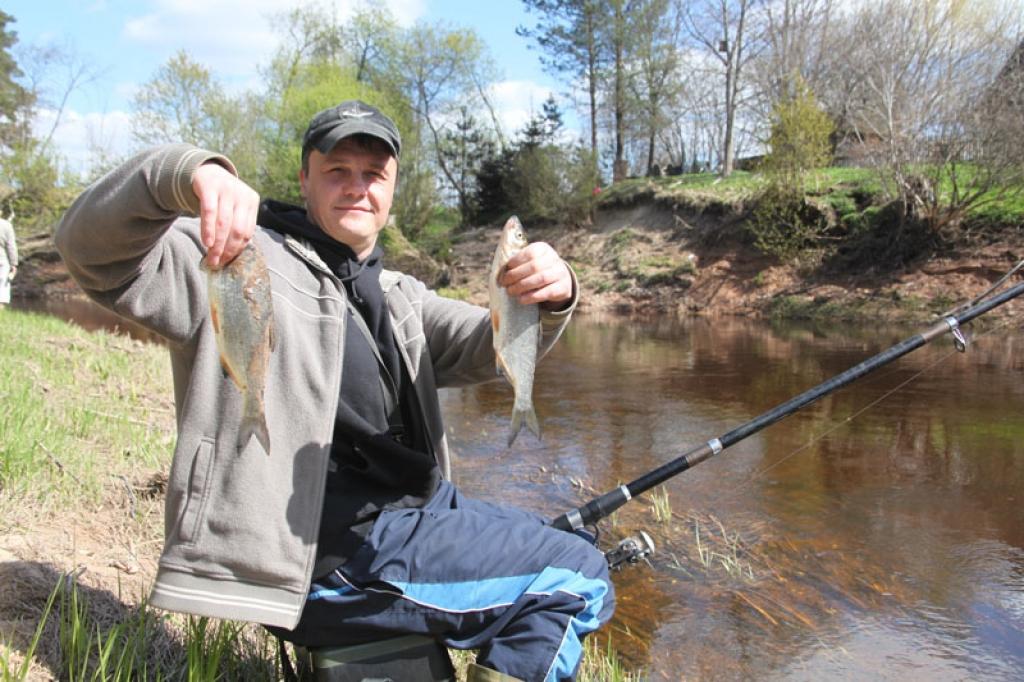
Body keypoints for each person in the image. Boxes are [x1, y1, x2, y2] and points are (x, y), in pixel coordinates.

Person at [55, 100, 614, 681]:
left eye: (374, 174)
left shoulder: (400, 295)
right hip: (326, 556)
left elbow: (485, 345)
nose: (357, 188)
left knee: (562, 543)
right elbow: (93, 256)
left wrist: (551, 292)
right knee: (578, 576)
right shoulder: (232, 254)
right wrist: (186, 173)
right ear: (304, 179)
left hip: (408, 515)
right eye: (337, 170)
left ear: (392, 188)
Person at [0, 214, 17, 306]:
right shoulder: (6, 225)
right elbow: (11, 246)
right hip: (2, 259)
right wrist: (13, 263)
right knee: (2, 287)